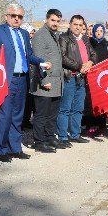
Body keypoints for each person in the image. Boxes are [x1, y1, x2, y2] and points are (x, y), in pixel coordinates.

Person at [0, 4, 50, 162]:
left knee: (18, 116)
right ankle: (0, 149)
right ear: (6, 16)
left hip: (23, 79)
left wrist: (41, 62)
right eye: (13, 15)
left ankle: (15, 148)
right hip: (6, 79)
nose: (16, 18)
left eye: (20, 16)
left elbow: (29, 56)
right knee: (5, 115)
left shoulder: (25, 34)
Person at [57, 14, 97, 148]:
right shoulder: (64, 38)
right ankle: (62, 136)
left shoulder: (85, 38)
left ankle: (75, 134)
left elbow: (94, 54)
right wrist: (80, 66)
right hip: (70, 77)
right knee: (65, 108)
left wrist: (90, 62)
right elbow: (63, 57)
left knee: (79, 108)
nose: (78, 27)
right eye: (75, 24)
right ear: (70, 24)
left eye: (80, 25)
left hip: (83, 78)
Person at [29, 9, 65, 153]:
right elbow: (39, 60)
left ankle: (50, 137)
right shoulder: (40, 36)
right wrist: (44, 80)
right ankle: (39, 142)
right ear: (47, 19)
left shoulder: (54, 35)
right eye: (53, 20)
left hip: (56, 83)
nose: (55, 23)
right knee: (41, 115)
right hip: (45, 82)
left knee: (52, 114)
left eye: (58, 21)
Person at [87, 23, 108, 137]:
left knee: (101, 101)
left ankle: (101, 126)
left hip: (103, 77)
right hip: (92, 77)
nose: (99, 33)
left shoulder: (107, 45)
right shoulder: (89, 44)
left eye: (101, 31)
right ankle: (90, 125)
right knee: (91, 101)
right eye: (97, 31)